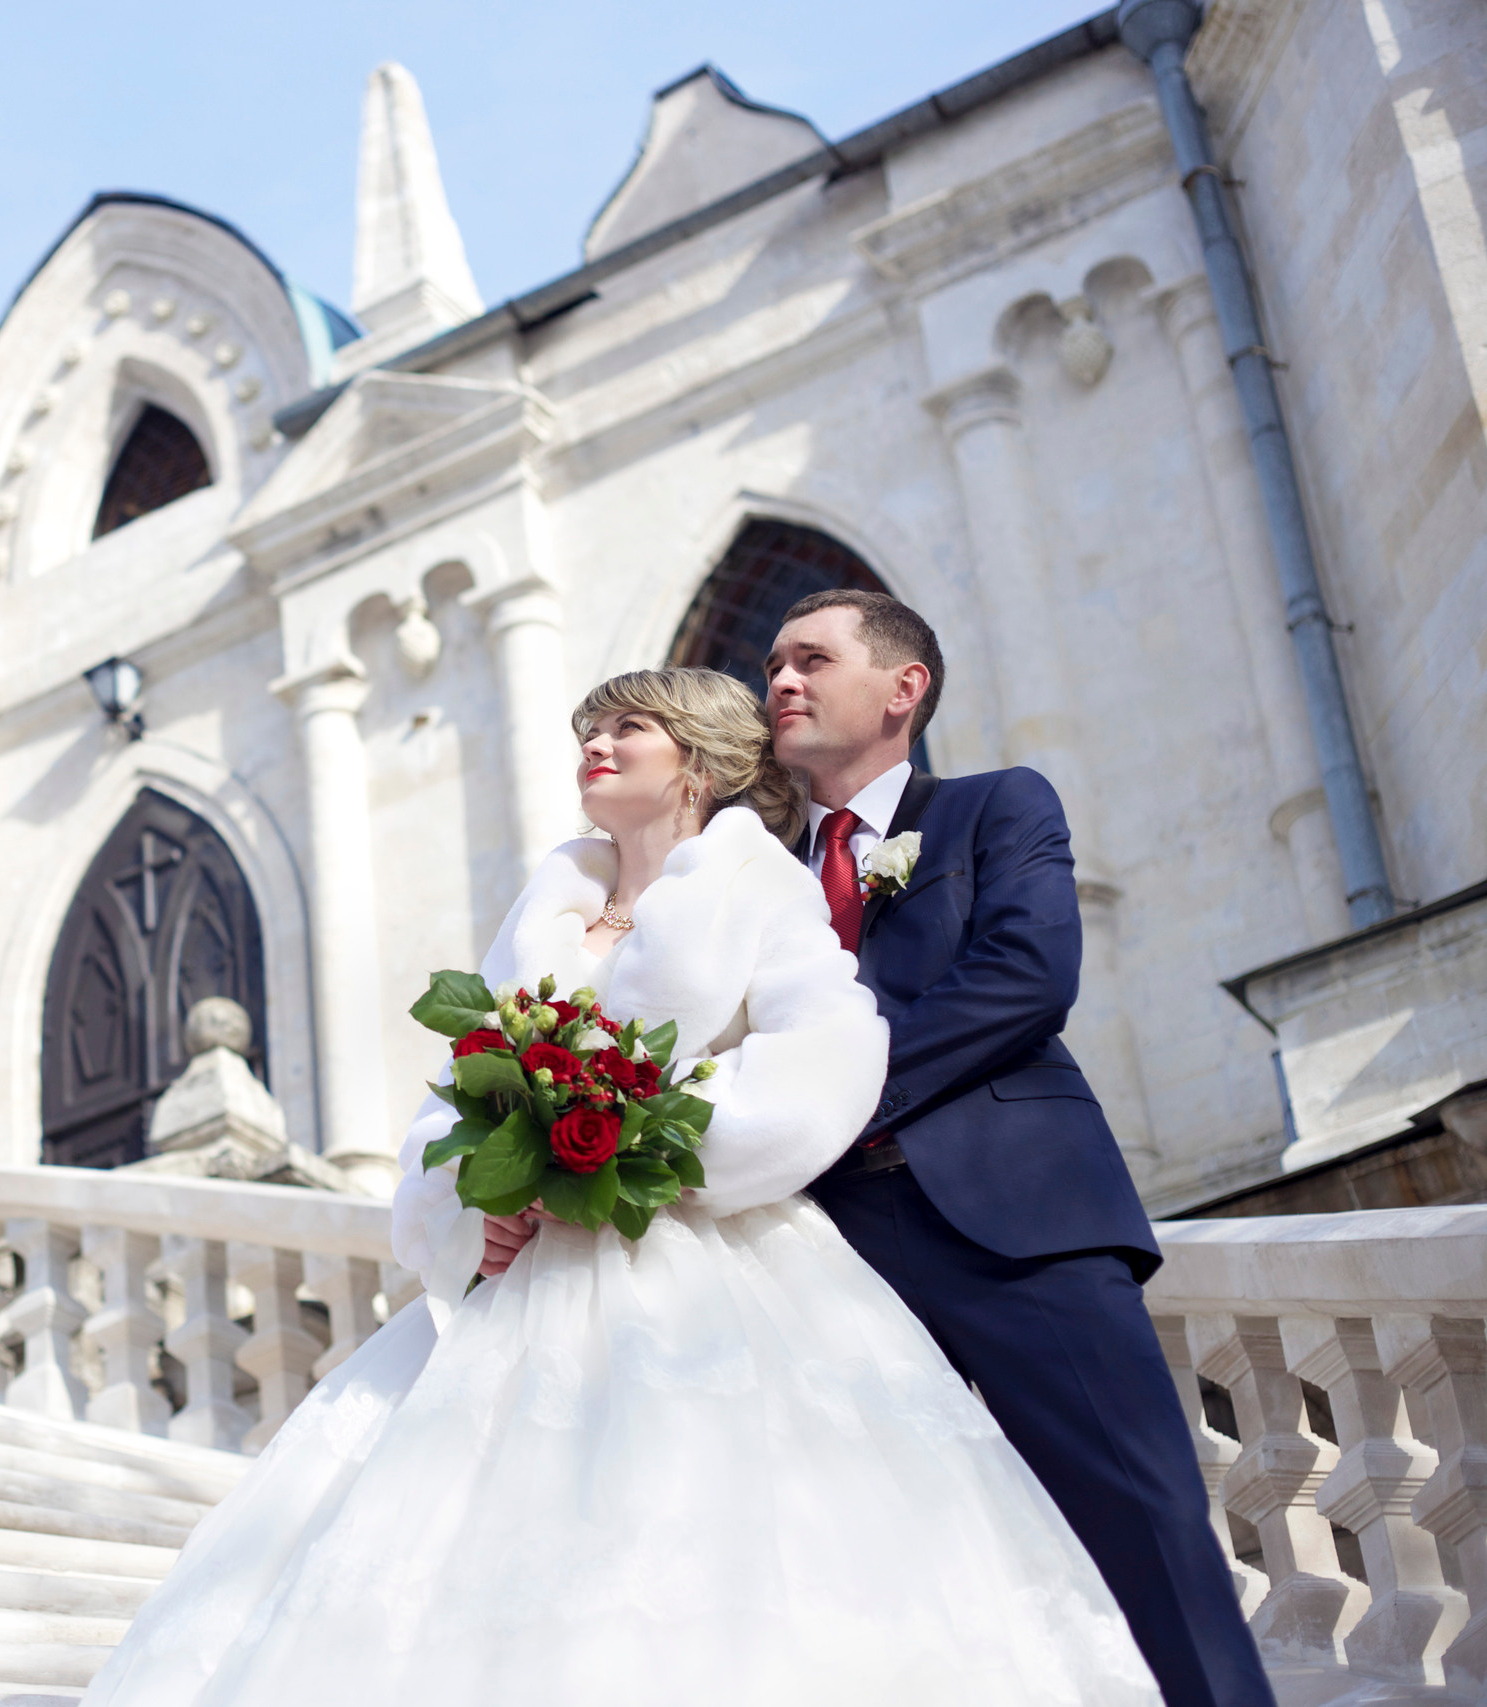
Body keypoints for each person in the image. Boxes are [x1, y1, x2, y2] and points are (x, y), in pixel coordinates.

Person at [81, 667, 1162, 1707]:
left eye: (624, 730)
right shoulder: (545, 905)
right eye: (587, 733)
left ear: (694, 765)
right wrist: (478, 1202)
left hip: (703, 1263)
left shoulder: (761, 886)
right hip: (525, 1284)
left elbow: (825, 1053)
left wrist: (634, 1156)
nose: (594, 748)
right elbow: (454, 1091)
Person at [765, 589, 1274, 1707]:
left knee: (1145, 1531)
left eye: (812, 659)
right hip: (827, 1258)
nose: (782, 682)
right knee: (923, 1573)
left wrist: (830, 1095)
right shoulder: (755, 884)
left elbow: (1025, 978)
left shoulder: (996, 808)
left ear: (905, 689)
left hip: (1016, 1226)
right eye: (774, 666)